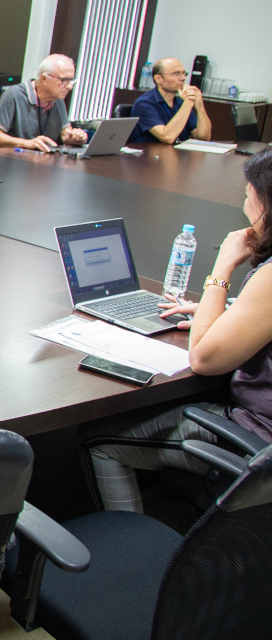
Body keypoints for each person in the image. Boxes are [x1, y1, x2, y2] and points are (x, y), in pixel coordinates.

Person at [80, 148, 272, 512]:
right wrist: (232, 313)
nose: (244, 202)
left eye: (248, 195)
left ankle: (129, 556)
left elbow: (203, 358)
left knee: (97, 438)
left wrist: (223, 267)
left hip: (257, 439)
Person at [0, 54, 88, 152]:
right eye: (64, 80)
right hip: (15, 160)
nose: (70, 86)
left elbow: (65, 134)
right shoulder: (14, 95)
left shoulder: (58, 98)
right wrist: (26, 143)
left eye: (72, 80)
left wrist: (76, 138)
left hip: (44, 161)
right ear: (44, 79)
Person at [128, 57, 211, 144]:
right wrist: (188, 102)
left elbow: (203, 138)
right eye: (176, 74)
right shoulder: (144, 103)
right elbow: (167, 137)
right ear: (159, 79)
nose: (183, 78)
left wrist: (200, 107)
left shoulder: (180, 102)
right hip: (149, 155)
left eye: (184, 73)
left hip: (176, 154)